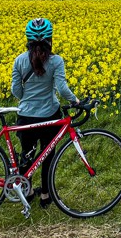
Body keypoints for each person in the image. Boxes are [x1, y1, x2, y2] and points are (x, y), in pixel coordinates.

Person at [11, 17, 79, 208]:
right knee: (48, 155)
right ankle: (46, 195)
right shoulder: (56, 61)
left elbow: (16, 90)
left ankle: (29, 191)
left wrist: (28, 98)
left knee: (28, 154)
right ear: (50, 38)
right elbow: (62, 88)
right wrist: (75, 100)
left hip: (26, 116)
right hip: (50, 114)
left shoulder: (19, 60)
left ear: (28, 39)